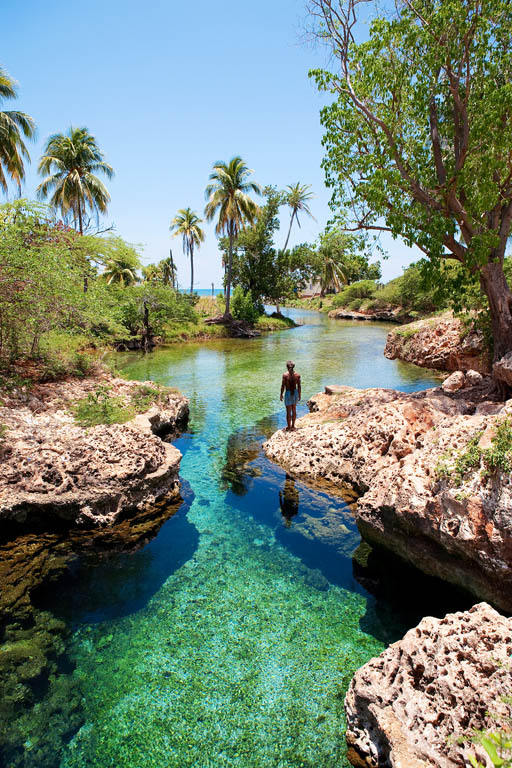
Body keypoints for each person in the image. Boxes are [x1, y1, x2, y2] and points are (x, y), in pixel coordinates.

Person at [280, 360, 301, 431]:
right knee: (294, 410)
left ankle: (289, 427)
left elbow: (283, 386)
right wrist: (299, 395)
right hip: (295, 392)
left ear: (286, 367)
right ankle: (293, 426)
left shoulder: (285, 375)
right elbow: (299, 386)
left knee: (288, 411)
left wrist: (281, 394)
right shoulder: (297, 375)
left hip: (288, 393)